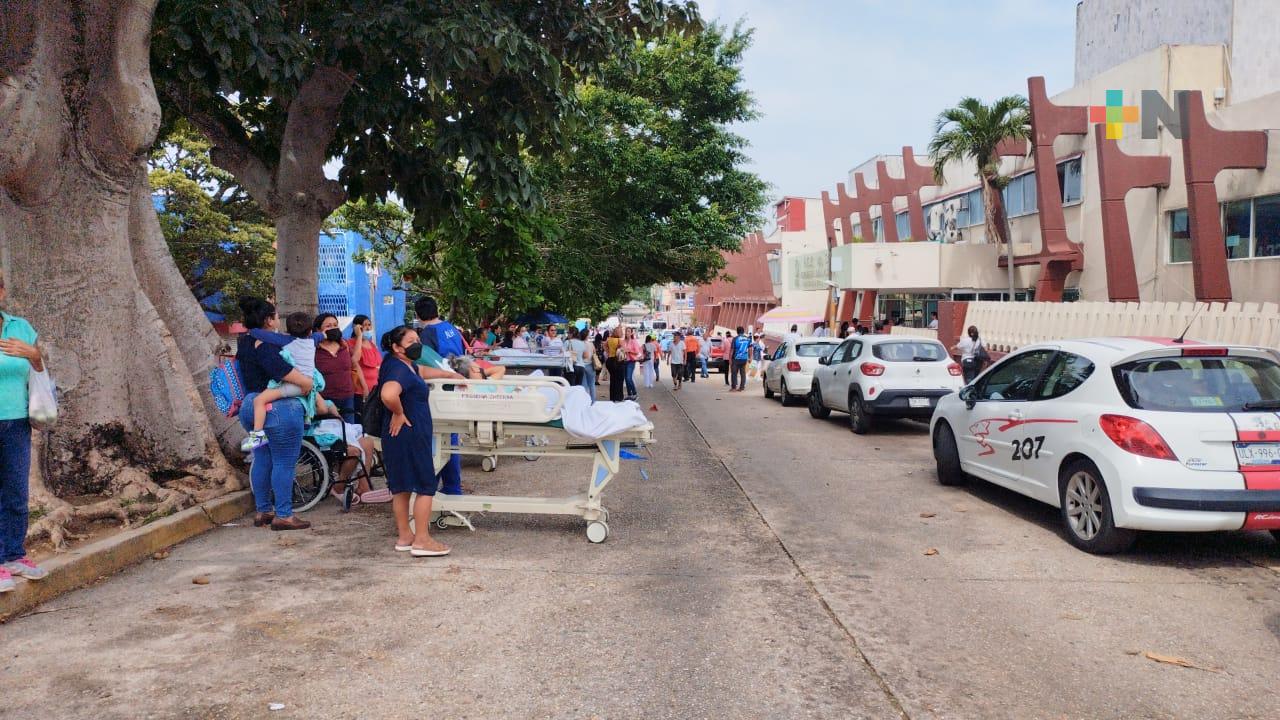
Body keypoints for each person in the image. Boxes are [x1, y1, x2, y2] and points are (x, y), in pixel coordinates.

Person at [235, 298, 313, 531]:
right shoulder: (268, 344)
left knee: (262, 458)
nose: (278, 320)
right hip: (279, 409)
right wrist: (306, 382)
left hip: (250, 405)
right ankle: (284, 515)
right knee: (284, 462)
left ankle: (263, 510)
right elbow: (282, 371)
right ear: (269, 320)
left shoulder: (244, 342)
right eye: (276, 316)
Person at [377, 326, 451, 557]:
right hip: (409, 435)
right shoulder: (398, 369)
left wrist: (450, 375)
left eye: (417, 339)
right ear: (397, 347)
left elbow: (421, 372)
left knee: (401, 487)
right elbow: (388, 394)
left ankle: (405, 536)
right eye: (411, 341)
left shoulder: (401, 364)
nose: (417, 344)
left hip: (398, 437)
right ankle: (422, 540)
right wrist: (399, 413)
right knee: (426, 485)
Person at [0, 277, 49, 590]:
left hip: (16, 422)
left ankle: (13, 556)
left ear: (2, 291)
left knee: (17, 492)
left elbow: (39, 373)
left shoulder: (20, 327)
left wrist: (33, 354)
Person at [241, 311, 318, 452]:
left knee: (259, 400)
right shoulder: (313, 340)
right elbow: (321, 335)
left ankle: (257, 436)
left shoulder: (286, 340)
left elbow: (262, 335)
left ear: (287, 331)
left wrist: (251, 329)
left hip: (294, 385)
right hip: (306, 382)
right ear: (310, 331)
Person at [414, 297, 467, 495]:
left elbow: (428, 362)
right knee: (450, 436)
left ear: (418, 314)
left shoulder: (428, 333)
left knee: (437, 439)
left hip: (440, 386)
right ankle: (452, 486)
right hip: (456, 381)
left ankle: (430, 488)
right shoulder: (450, 328)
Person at [314, 313, 364, 423]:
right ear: (318, 330)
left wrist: (359, 336)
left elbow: (355, 361)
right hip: (324, 400)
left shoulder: (344, 344)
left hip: (347, 397)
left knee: (349, 429)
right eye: (328, 326)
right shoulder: (313, 349)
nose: (333, 328)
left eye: (335, 325)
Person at [348, 314, 381, 413]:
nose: (367, 328)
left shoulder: (371, 344)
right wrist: (359, 336)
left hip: (375, 388)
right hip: (361, 389)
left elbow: (378, 366)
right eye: (364, 325)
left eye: (369, 325)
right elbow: (355, 362)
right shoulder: (350, 343)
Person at [605, 326, 626, 402]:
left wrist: (608, 352)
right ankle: (619, 397)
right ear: (619, 333)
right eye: (621, 332)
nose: (622, 333)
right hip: (618, 361)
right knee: (619, 380)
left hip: (610, 360)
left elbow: (604, 346)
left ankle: (613, 397)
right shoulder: (619, 340)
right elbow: (623, 350)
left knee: (613, 379)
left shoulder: (609, 339)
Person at [729, 326, 751, 392]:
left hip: (736, 358)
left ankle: (734, 387)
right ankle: (742, 387)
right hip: (744, 358)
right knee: (743, 373)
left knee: (734, 373)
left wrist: (730, 359)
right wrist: (750, 357)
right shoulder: (747, 339)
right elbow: (750, 349)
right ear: (743, 331)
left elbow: (732, 350)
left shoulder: (735, 339)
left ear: (737, 331)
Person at [623, 326, 642, 400]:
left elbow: (637, 352)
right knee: (626, 378)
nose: (627, 333)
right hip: (624, 361)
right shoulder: (623, 341)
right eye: (626, 331)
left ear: (631, 333)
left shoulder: (633, 341)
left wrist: (629, 351)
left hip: (631, 361)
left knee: (628, 378)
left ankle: (635, 393)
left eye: (628, 331)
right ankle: (629, 394)